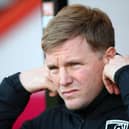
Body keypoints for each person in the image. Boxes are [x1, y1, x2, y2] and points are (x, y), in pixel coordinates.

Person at [0, 4, 129, 129]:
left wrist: (123, 73)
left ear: (109, 58)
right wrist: (15, 86)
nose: (63, 81)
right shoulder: (45, 124)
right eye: (53, 68)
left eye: (74, 65)